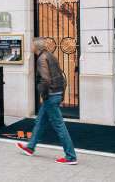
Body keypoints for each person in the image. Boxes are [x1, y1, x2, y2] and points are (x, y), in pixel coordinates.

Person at [17, 37, 77, 165]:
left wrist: (43, 94)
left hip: (50, 95)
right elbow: (62, 77)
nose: (31, 47)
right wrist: (60, 94)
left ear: (36, 47)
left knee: (59, 126)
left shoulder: (41, 59)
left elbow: (45, 80)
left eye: (32, 45)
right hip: (55, 94)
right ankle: (30, 147)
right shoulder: (51, 56)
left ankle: (71, 156)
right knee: (40, 121)